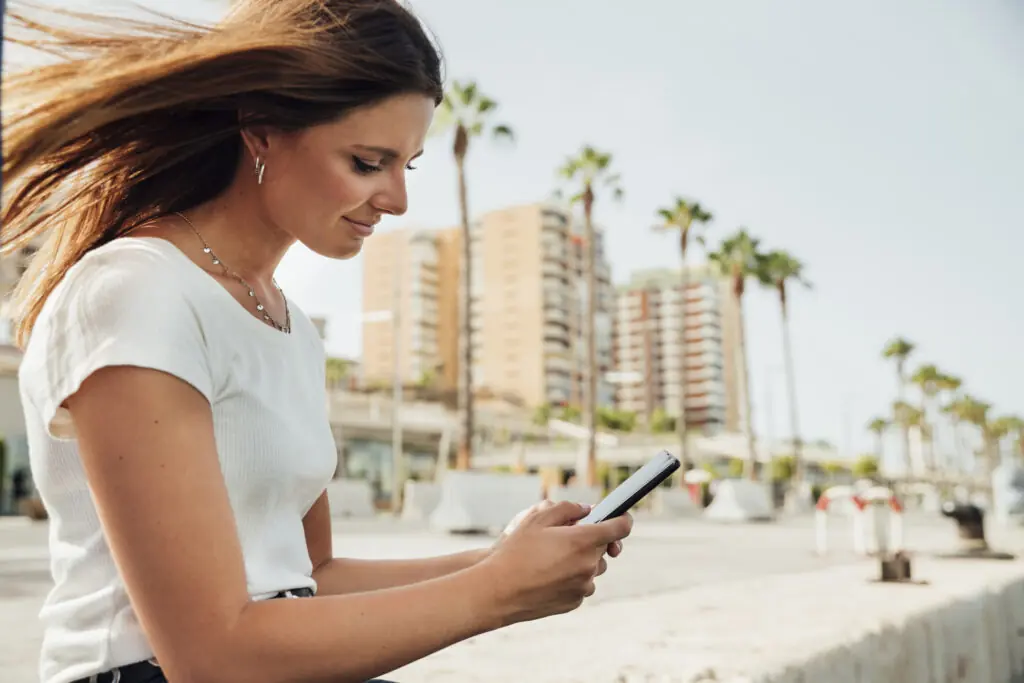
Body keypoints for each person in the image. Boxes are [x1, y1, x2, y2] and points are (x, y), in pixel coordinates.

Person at [0, 1, 633, 682]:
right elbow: (211, 654)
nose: (396, 200)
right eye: (368, 162)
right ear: (262, 131)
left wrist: (499, 558)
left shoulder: (290, 327)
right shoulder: (136, 291)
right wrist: (497, 591)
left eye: (408, 166)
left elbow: (311, 577)